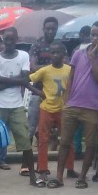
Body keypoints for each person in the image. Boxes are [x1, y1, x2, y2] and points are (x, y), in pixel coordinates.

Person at [51, 21, 98, 189]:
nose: (95, 38)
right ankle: (59, 177)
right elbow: (71, 77)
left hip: (93, 107)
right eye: (93, 34)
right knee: (65, 142)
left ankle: (82, 177)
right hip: (72, 105)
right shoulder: (78, 54)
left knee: (91, 144)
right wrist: (66, 100)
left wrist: (93, 58)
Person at [0, 27, 42, 187]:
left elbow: (25, 79)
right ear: (3, 40)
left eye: (12, 39)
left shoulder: (24, 55)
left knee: (25, 140)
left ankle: (32, 177)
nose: (9, 42)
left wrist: (5, 79)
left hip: (16, 104)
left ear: (17, 39)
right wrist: (18, 81)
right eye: (7, 39)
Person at [29, 40, 74, 180]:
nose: (54, 55)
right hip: (46, 108)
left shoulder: (69, 69)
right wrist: (38, 92)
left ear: (64, 54)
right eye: (52, 53)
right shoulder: (44, 70)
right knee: (43, 139)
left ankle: (70, 168)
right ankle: (42, 169)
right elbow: (27, 80)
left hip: (63, 110)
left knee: (67, 139)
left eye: (57, 52)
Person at [28, 16, 60, 144]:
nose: (50, 31)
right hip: (38, 90)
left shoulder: (60, 45)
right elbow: (33, 67)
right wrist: (53, 67)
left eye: (53, 29)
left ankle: (51, 155)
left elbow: (66, 65)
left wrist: (43, 69)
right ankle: (26, 155)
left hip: (55, 92)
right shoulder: (36, 45)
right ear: (43, 29)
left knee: (55, 127)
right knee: (31, 124)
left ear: (57, 29)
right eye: (48, 29)